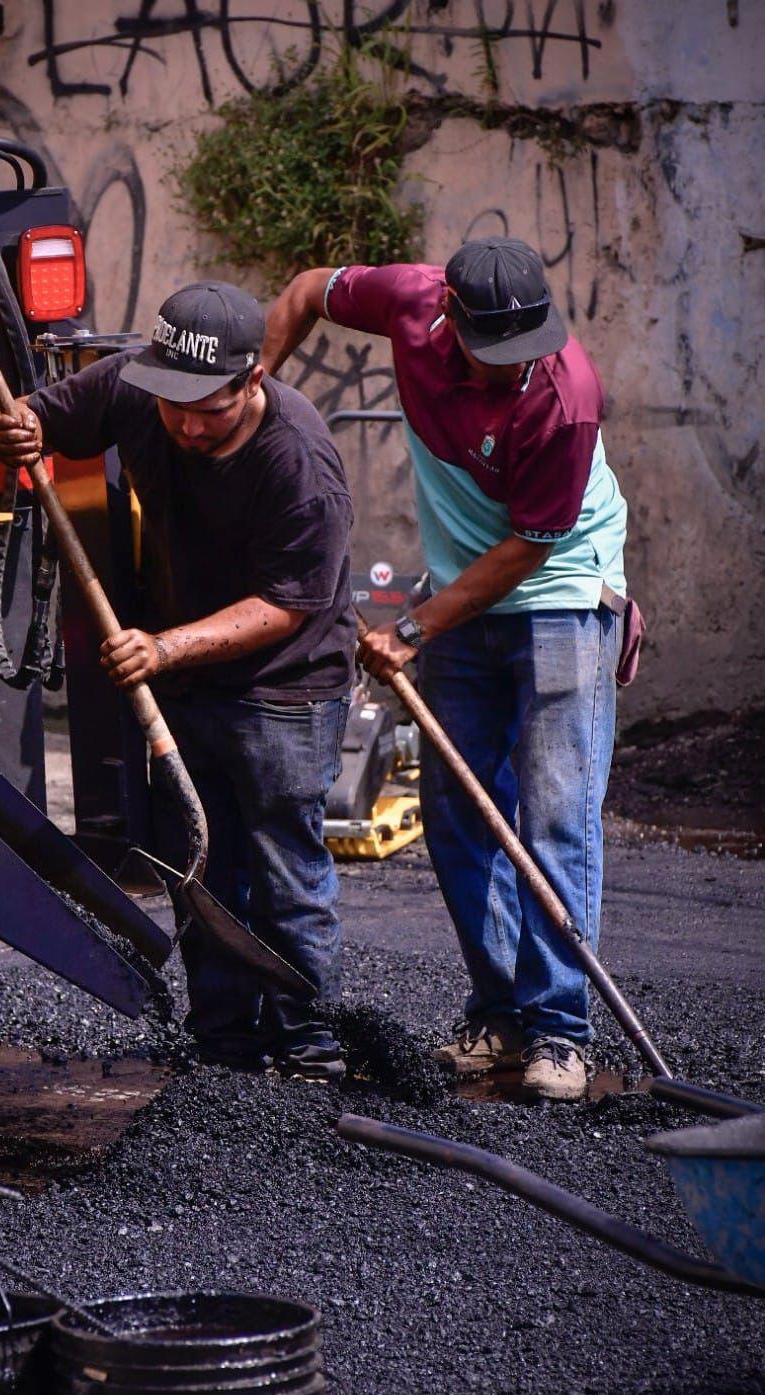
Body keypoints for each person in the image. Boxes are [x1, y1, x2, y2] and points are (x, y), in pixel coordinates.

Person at [263, 238, 629, 1101]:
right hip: (462, 598)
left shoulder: (565, 395)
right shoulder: (407, 301)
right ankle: (499, 1013)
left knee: (555, 816)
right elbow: (304, 290)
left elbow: (530, 548)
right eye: (493, 354)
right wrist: (256, 397)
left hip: (561, 590)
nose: (514, 371)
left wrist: (415, 627)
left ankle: (559, 1030)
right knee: (458, 812)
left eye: (525, 351)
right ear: (448, 323)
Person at [0, 281, 356, 1082]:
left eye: (210, 409)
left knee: (283, 873)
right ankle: (224, 1042)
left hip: (283, 689)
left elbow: (286, 606)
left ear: (253, 380)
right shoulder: (134, 384)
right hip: (186, 682)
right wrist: (21, 424)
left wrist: (162, 649)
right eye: (174, 405)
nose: (188, 424)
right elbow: (46, 412)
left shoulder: (298, 460)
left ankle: (309, 1042)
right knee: (197, 867)